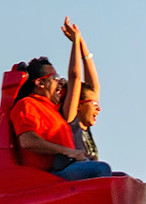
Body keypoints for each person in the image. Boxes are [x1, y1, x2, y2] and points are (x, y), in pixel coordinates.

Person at [9, 19, 112, 181]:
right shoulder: (27, 105)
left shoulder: (53, 109)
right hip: (46, 177)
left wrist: (81, 44)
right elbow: (28, 141)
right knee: (101, 169)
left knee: (121, 179)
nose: (60, 82)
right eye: (55, 78)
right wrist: (66, 151)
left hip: (66, 169)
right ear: (40, 83)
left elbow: (91, 87)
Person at [68, 25, 100, 160]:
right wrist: (75, 41)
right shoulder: (72, 121)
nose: (98, 108)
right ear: (79, 105)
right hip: (74, 171)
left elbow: (94, 87)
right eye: (94, 104)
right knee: (102, 168)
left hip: (91, 171)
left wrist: (81, 43)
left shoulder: (86, 127)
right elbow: (75, 78)